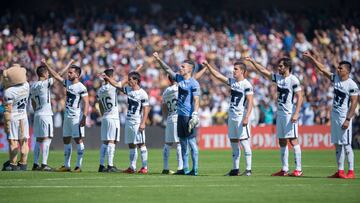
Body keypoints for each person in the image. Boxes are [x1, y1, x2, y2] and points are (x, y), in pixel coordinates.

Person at [245, 56, 303, 177]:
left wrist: (296, 113)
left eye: (281, 66)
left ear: (287, 67)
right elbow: (264, 71)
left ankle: (298, 169)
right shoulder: (279, 78)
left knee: (293, 140)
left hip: (289, 114)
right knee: (282, 141)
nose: (279, 68)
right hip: (280, 113)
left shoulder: (293, 80)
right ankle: (284, 169)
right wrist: (253, 62)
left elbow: (300, 97)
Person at [303, 52, 358, 179]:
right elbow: (322, 68)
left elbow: (354, 103)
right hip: (334, 116)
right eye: (338, 67)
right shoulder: (336, 79)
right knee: (338, 144)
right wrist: (311, 58)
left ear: (347, 71)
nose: (338, 69)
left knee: (347, 144)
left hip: (345, 117)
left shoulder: (352, 85)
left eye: (341, 68)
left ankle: (351, 172)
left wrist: (348, 119)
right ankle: (340, 171)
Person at [203, 60, 254, 176]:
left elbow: (250, 102)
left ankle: (248, 169)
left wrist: (247, 117)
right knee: (234, 142)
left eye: (236, 69)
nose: (233, 71)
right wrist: (208, 66)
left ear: (242, 71)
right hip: (232, 116)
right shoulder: (233, 82)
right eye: (233, 68)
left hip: (241, 117)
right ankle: (235, 169)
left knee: (245, 142)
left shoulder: (247, 85)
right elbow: (218, 76)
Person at [153, 52, 201, 176]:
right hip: (179, 116)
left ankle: (194, 169)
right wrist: (159, 59)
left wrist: (195, 114)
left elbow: (196, 99)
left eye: (183, 66)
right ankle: (184, 169)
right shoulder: (179, 79)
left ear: (190, 69)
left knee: (192, 143)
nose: (180, 68)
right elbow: (167, 69)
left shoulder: (194, 83)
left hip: (188, 116)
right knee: (183, 143)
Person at [43, 60, 89, 172]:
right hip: (67, 117)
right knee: (66, 140)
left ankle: (78, 166)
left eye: (71, 73)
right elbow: (56, 75)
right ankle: (66, 165)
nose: (68, 74)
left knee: (78, 140)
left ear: (77, 74)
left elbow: (86, 102)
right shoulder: (67, 83)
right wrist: (46, 65)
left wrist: (84, 117)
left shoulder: (81, 87)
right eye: (68, 72)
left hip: (76, 118)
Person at [102, 66, 150, 174]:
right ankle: (132, 167)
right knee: (131, 144)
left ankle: (144, 167)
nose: (128, 82)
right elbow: (117, 85)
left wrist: (143, 122)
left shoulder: (143, 93)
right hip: (128, 120)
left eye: (130, 80)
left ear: (136, 81)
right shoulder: (128, 90)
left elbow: (146, 108)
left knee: (141, 143)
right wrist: (108, 78)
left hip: (137, 121)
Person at [30, 60, 74, 171]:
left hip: (37, 114)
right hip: (46, 114)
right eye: (47, 73)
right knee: (47, 138)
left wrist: (37, 111)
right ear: (44, 74)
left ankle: (35, 164)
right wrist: (68, 64)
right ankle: (44, 164)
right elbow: (58, 75)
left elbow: (33, 102)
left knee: (38, 139)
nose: (49, 74)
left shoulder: (33, 86)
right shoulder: (45, 83)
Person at [161, 68, 207, 175]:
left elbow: (163, 106)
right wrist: (205, 69)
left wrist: (165, 118)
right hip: (180, 116)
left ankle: (165, 167)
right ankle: (181, 167)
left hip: (169, 117)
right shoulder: (181, 86)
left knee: (168, 144)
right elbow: (192, 79)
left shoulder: (166, 91)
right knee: (180, 143)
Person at [2, 65, 30, 171]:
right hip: (23, 116)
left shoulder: (9, 92)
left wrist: (6, 124)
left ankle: (13, 164)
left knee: (13, 142)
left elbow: (8, 110)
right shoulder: (26, 85)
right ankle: (23, 163)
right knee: (24, 141)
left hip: (13, 117)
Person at [96, 68, 121, 173]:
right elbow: (119, 85)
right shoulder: (112, 87)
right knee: (112, 141)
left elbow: (100, 105)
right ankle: (110, 165)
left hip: (105, 116)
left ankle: (101, 165)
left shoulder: (100, 90)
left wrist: (103, 115)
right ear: (111, 77)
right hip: (113, 117)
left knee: (105, 142)